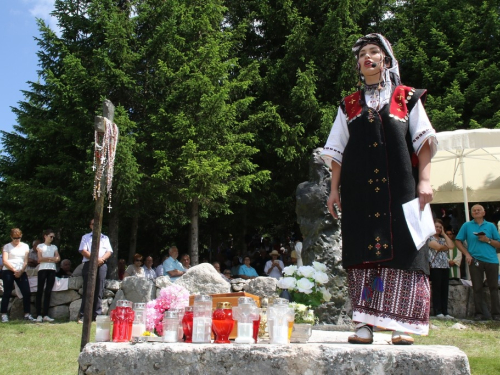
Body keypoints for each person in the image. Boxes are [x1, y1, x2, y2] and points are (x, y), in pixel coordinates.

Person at [321, 33, 437, 345]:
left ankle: (403, 325)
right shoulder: (349, 106)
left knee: (407, 250)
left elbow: (423, 140)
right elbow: (337, 151)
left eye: (374, 52)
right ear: (358, 66)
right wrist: (334, 190)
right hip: (359, 193)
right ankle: (363, 324)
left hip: (402, 190)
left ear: (386, 59)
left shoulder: (406, 97)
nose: (367, 58)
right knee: (361, 252)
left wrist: (424, 180)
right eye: (362, 55)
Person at [455, 204, 500, 321]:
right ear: (471, 213)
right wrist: (467, 254)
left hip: (491, 260)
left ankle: (496, 314)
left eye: (479, 210)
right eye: (474, 210)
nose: (476, 211)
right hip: (475, 259)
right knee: (477, 287)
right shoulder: (467, 225)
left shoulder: (491, 226)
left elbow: (499, 244)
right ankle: (479, 313)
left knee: (494, 287)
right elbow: (458, 241)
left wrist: (487, 240)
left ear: (484, 212)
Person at [78, 219, 113, 323]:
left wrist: (101, 260)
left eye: (98, 223)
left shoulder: (105, 238)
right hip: (89, 264)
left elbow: (109, 251)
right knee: (87, 290)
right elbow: (83, 250)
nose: (96, 225)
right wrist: (95, 259)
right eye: (94, 224)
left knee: (99, 290)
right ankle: (83, 315)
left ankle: (96, 315)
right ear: (90, 226)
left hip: (101, 264)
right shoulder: (85, 237)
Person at [1, 228, 35, 322]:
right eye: (15, 238)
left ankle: (27, 314)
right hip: (8, 270)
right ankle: (4, 314)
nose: (17, 240)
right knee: (7, 292)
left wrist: (21, 271)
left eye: (19, 238)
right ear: (11, 237)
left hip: (21, 271)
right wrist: (14, 270)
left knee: (26, 292)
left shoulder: (25, 246)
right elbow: (5, 260)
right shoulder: (7, 246)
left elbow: (25, 261)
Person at [428, 219, 455, 319]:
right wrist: (444, 247)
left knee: (444, 289)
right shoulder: (429, 238)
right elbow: (438, 247)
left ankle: (445, 311)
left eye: (440, 227)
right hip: (435, 267)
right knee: (437, 289)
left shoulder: (443, 239)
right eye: (436, 227)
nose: (438, 229)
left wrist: (444, 233)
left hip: (445, 266)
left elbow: (451, 245)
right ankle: (437, 310)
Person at [35, 229, 60, 323]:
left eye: (53, 237)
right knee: (40, 291)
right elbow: (40, 259)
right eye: (50, 236)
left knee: (48, 291)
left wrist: (49, 259)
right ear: (45, 236)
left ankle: (45, 314)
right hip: (42, 269)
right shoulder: (40, 246)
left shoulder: (54, 247)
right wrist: (52, 258)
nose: (52, 238)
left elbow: (58, 258)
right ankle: (38, 314)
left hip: (52, 269)